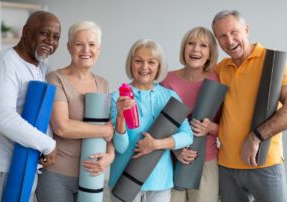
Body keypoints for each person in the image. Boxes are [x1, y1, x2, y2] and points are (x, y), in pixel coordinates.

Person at [212, 10, 287, 202]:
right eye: (222, 36)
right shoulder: (220, 68)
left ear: (247, 29)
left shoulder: (274, 63)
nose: (230, 40)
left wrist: (257, 136)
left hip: (265, 164)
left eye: (234, 32)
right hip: (227, 167)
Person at [0, 11, 61, 202]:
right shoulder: (5, 64)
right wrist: (47, 144)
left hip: (26, 164)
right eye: (44, 33)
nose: (50, 41)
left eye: (55, 37)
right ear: (26, 31)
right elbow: (3, 117)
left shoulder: (42, 68)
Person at [35, 21, 114, 202]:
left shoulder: (103, 84)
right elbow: (62, 127)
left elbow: (112, 127)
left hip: (92, 174)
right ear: (69, 47)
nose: (86, 50)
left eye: (92, 44)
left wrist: (110, 155)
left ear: (99, 49)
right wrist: (104, 130)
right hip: (57, 175)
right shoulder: (55, 79)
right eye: (79, 44)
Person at [108, 39, 193, 202]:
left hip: (160, 182)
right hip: (124, 180)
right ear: (131, 64)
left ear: (159, 66)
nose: (144, 67)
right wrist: (120, 116)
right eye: (138, 61)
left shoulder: (170, 96)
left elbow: (187, 136)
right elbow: (120, 147)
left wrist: (156, 144)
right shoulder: (117, 97)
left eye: (151, 62)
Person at [161, 26, 220, 202]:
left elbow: (227, 126)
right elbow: (159, 123)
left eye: (203, 45)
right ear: (183, 48)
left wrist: (210, 127)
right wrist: (176, 150)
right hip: (170, 159)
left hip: (206, 161)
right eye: (191, 43)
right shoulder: (167, 80)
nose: (195, 49)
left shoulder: (216, 81)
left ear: (210, 53)